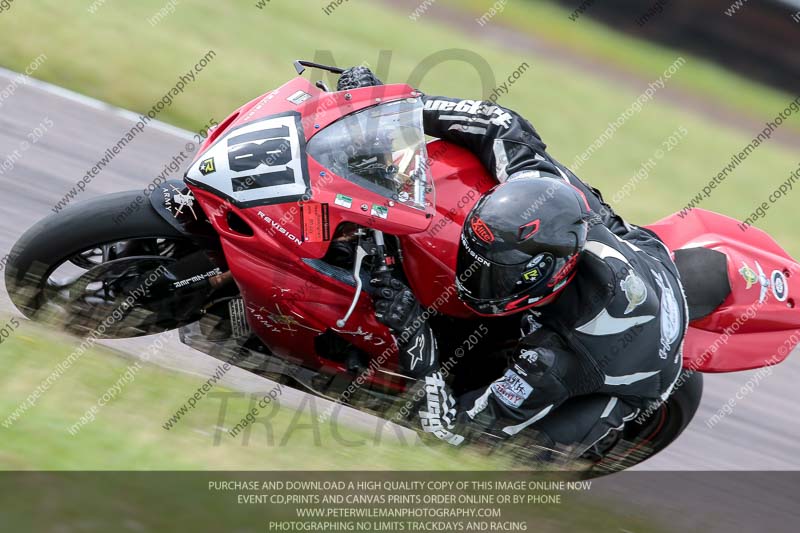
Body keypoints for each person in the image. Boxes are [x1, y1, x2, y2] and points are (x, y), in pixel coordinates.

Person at [337, 67, 688, 456]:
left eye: (496, 277)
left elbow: (450, 432)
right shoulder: (544, 187)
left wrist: (414, 334)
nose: (473, 279)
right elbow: (502, 124)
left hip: (627, 370)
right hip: (640, 251)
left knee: (496, 461)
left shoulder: (553, 360)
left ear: (548, 277)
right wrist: (386, 108)